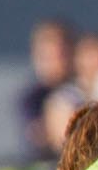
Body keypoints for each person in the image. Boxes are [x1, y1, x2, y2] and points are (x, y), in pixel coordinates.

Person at [17, 19, 74, 157]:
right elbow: (39, 136)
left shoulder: (83, 88)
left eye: (62, 54)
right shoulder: (33, 98)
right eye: (49, 57)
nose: (57, 62)